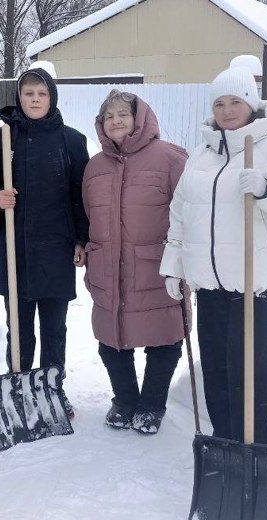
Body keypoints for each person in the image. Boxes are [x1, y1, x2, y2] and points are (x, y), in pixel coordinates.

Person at [159, 65, 267, 445]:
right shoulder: (202, 155)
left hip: (259, 287)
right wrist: (174, 266)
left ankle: (261, 451)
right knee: (217, 375)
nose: (227, 110)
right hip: (213, 287)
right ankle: (227, 450)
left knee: (249, 377)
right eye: (219, 103)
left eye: (236, 101)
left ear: (251, 104)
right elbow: (181, 211)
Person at [81, 90, 188, 434]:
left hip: (157, 267)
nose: (116, 121)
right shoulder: (95, 166)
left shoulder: (171, 158)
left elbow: (190, 213)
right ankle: (125, 400)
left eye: (122, 114)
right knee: (111, 338)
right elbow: (86, 214)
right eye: (109, 116)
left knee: (164, 336)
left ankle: (152, 404)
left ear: (139, 118)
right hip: (108, 266)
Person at [0, 67, 88, 417]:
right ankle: (18, 386)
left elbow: (82, 196)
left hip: (56, 248)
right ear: (19, 96)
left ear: (52, 97)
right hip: (15, 248)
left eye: (41, 94)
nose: (34, 99)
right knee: (18, 327)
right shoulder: (2, 140)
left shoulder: (73, 141)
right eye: (28, 93)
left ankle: (51, 388)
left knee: (53, 327)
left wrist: (81, 237)